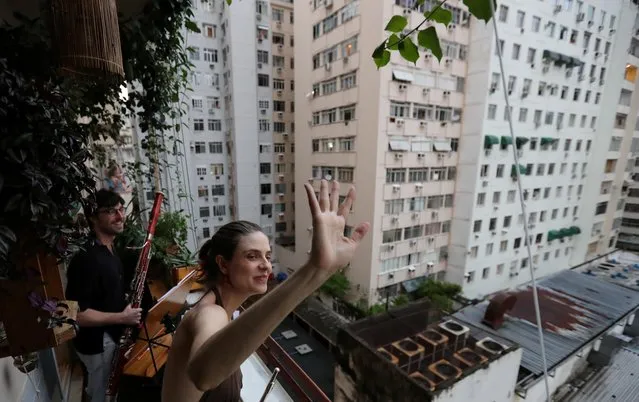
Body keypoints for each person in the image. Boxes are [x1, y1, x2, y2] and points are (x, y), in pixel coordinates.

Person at [161, 180, 370, 402]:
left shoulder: (223, 310)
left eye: (268, 256)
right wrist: (313, 269)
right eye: (252, 256)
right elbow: (203, 374)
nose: (266, 265)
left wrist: (320, 272)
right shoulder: (210, 313)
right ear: (223, 264)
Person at [66, 189, 143, 402]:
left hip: (108, 339)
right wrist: (122, 318)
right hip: (97, 344)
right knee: (102, 395)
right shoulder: (87, 258)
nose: (120, 216)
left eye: (120, 209)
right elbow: (77, 315)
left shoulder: (109, 248)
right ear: (93, 216)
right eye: (110, 211)